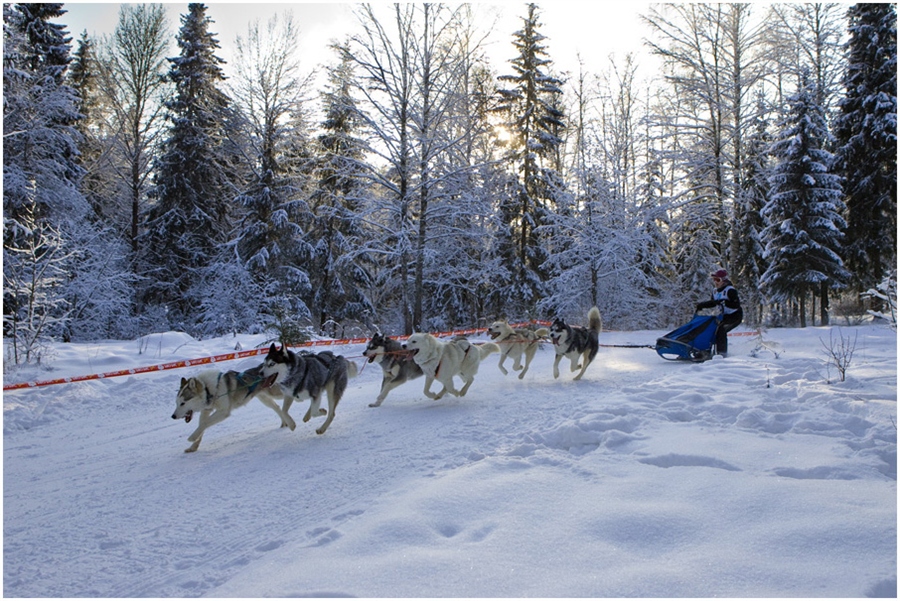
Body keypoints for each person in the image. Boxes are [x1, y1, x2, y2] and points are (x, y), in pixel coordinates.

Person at [695, 269, 743, 357]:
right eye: (714, 280)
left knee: (721, 330)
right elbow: (714, 303)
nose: (715, 282)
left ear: (724, 280)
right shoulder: (715, 291)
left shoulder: (730, 290)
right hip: (724, 316)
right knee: (710, 328)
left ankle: (722, 354)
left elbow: (736, 305)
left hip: (735, 316)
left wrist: (726, 302)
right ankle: (706, 350)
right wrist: (702, 305)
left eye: (718, 280)